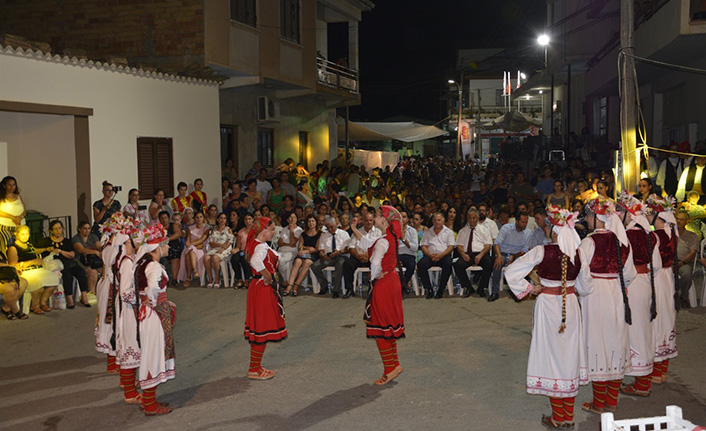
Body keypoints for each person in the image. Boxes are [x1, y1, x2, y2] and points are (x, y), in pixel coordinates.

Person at [505, 206, 592, 429]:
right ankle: (568, 416)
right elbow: (586, 286)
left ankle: (558, 416)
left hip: (547, 306)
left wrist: (530, 288)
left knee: (552, 356)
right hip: (570, 306)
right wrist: (573, 289)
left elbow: (511, 272)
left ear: (553, 231)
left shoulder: (541, 251)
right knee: (569, 355)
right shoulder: (579, 253)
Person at [579, 197, 637, 414]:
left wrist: (582, 291)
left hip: (595, 294)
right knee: (615, 342)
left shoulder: (589, 242)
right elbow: (629, 274)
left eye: (589, 216)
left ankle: (598, 403)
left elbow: (581, 275)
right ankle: (611, 401)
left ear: (596, 218)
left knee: (597, 344)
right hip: (615, 291)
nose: (586, 219)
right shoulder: (621, 242)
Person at [615, 192, 661, 397]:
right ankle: (643, 378)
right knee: (643, 329)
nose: (616, 213)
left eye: (620, 211)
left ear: (629, 214)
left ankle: (642, 383)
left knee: (635, 332)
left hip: (632, 284)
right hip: (645, 283)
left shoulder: (627, 235)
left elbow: (624, 266)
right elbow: (657, 266)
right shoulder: (649, 234)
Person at [134, 224, 175, 415]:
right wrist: (155, 303)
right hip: (153, 316)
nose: (167, 248)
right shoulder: (154, 266)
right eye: (164, 244)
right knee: (153, 355)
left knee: (153, 353)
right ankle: (150, 405)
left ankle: (150, 400)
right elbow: (151, 289)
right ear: (156, 248)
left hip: (149, 313)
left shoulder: (147, 264)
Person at [365, 206, 406, 385]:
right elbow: (366, 245)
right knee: (387, 326)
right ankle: (394, 365)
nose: (376, 217)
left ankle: (390, 368)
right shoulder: (390, 237)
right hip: (392, 280)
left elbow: (375, 262)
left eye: (379, 215)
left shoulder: (383, 241)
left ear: (385, 221)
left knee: (381, 327)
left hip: (384, 284)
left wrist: (374, 276)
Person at [243, 216, 287, 380]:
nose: (274, 232)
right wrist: (268, 276)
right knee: (262, 328)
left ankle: (255, 366)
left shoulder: (256, 243)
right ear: (264, 230)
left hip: (257, 287)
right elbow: (256, 262)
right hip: (262, 288)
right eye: (272, 229)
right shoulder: (260, 247)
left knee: (259, 328)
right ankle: (254, 369)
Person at [646, 195, 679, 385]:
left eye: (652, 213)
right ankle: (662, 371)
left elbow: (654, 264)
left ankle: (654, 372)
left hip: (657, 279)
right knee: (666, 318)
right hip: (668, 278)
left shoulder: (655, 236)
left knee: (656, 320)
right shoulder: (672, 233)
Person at [37, 220, 90, 308]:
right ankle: (69, 299)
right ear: (51, 231)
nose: (58, 231)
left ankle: (84, 296)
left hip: (69, 263)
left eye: (59, 228)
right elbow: (36, 250)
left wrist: (61, 251)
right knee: (67, 275)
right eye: (55, 229)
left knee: (81, 272)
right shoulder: (46, 241)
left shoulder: (67, 241)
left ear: (62, 229)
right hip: (56, 267)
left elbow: (72, 255)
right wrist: (46, 249)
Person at [490, 212, 533, 302]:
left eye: (526, 222)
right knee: (497, 263)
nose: (525, 224)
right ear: (516, 221)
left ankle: (517, 292)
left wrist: (514, 256)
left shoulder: (528, 233)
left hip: (517, 255)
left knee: (521, 264)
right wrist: (498, 256)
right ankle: (495, 291)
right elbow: (497, 243)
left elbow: (525, 250)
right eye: (522, 222)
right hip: (503, 253)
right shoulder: (506, 228)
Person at [454, 208, 492, 298]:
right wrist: (463, 254)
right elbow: (459, 246)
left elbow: (488, 246)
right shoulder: (462, 231)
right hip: (467, 254)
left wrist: (480, 255)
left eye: (474, 218)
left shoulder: (484, 230)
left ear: (477, 218)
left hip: (481, 253)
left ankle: (481, 288)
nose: (472, 220)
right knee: (458, 265)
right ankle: (468, 287)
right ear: (467, 219)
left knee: (489, 263)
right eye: (470, 218)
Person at [344, 212, 382, 299]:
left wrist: (368, 256)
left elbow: (378, 247)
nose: (369, 222)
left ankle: (373, 289)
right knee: (347, 264)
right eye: (366, 220)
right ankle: (349, 289)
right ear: (363, 221)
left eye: (371, 220)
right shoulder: (357, 232)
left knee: (377, 264)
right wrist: (357, 256)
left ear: (373, 221)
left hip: (372, 257)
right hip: (358, 257)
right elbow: (351, 247)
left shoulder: (378, 232)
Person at [418, 212, 455, 299]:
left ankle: (441, 289)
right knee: (421, 264)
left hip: (444, 255)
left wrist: (441, 255)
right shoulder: (428, 232)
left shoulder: (448, 232)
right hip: (430, 255)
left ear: (443, 221)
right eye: (434, 220)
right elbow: (424, 246)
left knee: (448, 264)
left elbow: (451, 247)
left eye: (439, 220)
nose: (436, 222)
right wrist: (430, 255)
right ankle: (429, 289)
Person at [311, 215, 350, 298]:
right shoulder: (324, 235)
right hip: (328, 257)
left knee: (340, 264)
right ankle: (324, 284)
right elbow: (321, 250)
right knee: (314, 266)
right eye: (327, 227)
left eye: (331, 227)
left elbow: (348, 248)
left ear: (336, 224)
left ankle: (336, 290)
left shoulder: (344, 234)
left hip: (340, 256)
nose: (330, 229)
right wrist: (322, 255)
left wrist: (338, 252)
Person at [286, 214, 320, 296]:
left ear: (316, 222)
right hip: (303, 254)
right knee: (297, 261)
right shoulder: (303, 234)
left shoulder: (320, 234)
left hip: (313, 255)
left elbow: (316, 248)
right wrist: (308, 249)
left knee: (307, 262)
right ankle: (290, 285)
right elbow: (300, 247)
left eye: (313, 221)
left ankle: (296, 286)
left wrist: (306, 249)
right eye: (309, 221)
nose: (311, 223)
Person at [674, 210, 698, 307]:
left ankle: (683, 297)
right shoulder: (669, 233)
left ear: (687, 221)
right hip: (669, 261)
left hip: (685, 262)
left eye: (682, 219)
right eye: (677, 219)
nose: (678, 221)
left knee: (687, 274)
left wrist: (682, 263)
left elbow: (693, 253)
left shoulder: (692, 236)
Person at [203, 213, 233, 288]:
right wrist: (219, 245)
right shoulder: (214, 230)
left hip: (225, 249)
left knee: (215, 257)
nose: (222, 220)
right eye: (221, 218)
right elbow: (211, 243)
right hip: (214, 248)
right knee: (206, 258)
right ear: (217, 219)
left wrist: (222, 248)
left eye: (224, 218)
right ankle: (210, 279)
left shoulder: (228, 229)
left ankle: (217, 279)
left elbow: (228, 243)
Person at [179, 212, 210, 286]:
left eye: (201, 217)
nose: (199, 219)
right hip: (191, 248)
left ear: (203, 218)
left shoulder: (206, 228)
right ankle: (194, 271)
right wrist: (187, 243)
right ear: (195, 219)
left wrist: (191, 244)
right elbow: (188, 239)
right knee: (190, 251)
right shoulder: (190, 228)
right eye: (197, 217)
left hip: (201, 249)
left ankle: (188, 277)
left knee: (189, 253)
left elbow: (202, 240)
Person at [72, 220, 102, 294]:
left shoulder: (93, 236)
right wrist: (95, 252)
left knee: (105, 270)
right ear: (80, 229)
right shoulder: (76, 238)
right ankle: (92, 293)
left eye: (89, 228)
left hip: (94, 259)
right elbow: (81, 250)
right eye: (85, 228)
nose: (87, 230)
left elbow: (98, 246)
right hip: (81, 260)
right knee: (92, 272)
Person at [0, 176, 26, 254]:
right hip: (6, 227)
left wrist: (20, 217)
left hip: (19, 226)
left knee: (21, 246)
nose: (12, 187)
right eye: (9, 185)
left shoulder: (18, 196)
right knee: (8, 245)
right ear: (4, 186)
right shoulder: (1, 197)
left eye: (13, 185)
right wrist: (12, 217)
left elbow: (24, 210)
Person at [277, 213, 302, 295]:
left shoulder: (298, 230)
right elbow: (279, 243)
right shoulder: (284, 229)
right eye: (290, 217)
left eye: (294, 217)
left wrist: (291, 230)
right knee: (278, 260)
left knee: (281, 260)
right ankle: (286, 281)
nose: (292, 219)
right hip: (281, 250)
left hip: (292, 251)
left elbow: (293, 243)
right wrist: (287, 244)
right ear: (287, 220)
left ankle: (286, 281)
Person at [0, 251, 28, 320]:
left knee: (23, 282)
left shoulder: (1, 253)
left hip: (5, 276)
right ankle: (15, 310)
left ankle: (7, 307)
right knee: (10, 289)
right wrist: (9, 266)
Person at [397, 209, 419, 293]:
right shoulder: (393, 230)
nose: (402, 219)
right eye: (400, 217)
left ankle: (401, 286)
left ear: (408, 219)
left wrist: (403, 239)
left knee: (411, 265)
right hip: (397, 255)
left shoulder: (412, 231)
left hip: (409, 255)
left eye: (404, 217)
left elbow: (415, 247)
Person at [231, 213, 254, 289]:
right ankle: (239, 279)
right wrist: (235, 250)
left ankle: (247, 280)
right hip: (242, 250)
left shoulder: (256, 231)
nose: (248, 221)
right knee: (234, 259)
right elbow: (238, 246)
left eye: (249, 219)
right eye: (246, 219)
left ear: (252, 220)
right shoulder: (241, 232)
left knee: (245, 259)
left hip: (253, 250)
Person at [161, 211, 182, 284]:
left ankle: (174, 279)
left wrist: (167, 239)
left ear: (169, 218)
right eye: (162, 218)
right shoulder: (157, 228)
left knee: (174, 254)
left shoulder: (173, 225)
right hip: (162, 248)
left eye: (166, 218)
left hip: (173, 246)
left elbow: (178, 234)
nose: (164, 220)